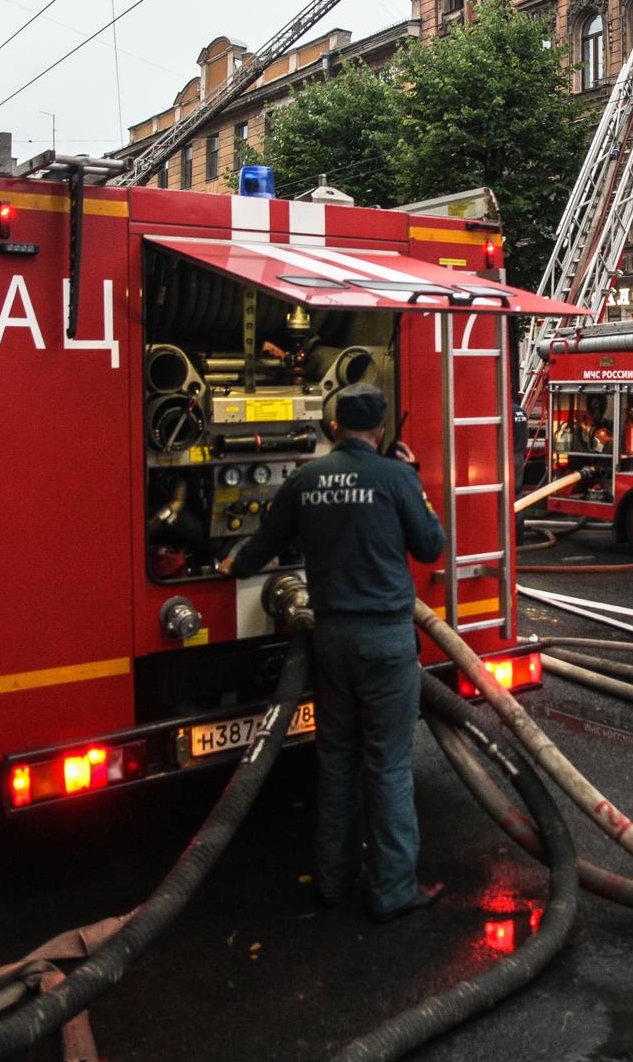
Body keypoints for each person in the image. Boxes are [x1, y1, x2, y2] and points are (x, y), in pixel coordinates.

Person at [217, 382, 447, 923]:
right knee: (387, 766)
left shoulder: (305, 478)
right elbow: (430, 545)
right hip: (387, 642)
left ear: (333, 427)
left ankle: (333, 881)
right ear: (382, 431)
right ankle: (392, 891)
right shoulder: (395, 476)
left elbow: (261, 547)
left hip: (331, 640)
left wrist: (233, 568)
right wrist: (413, 480)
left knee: (336, 762)